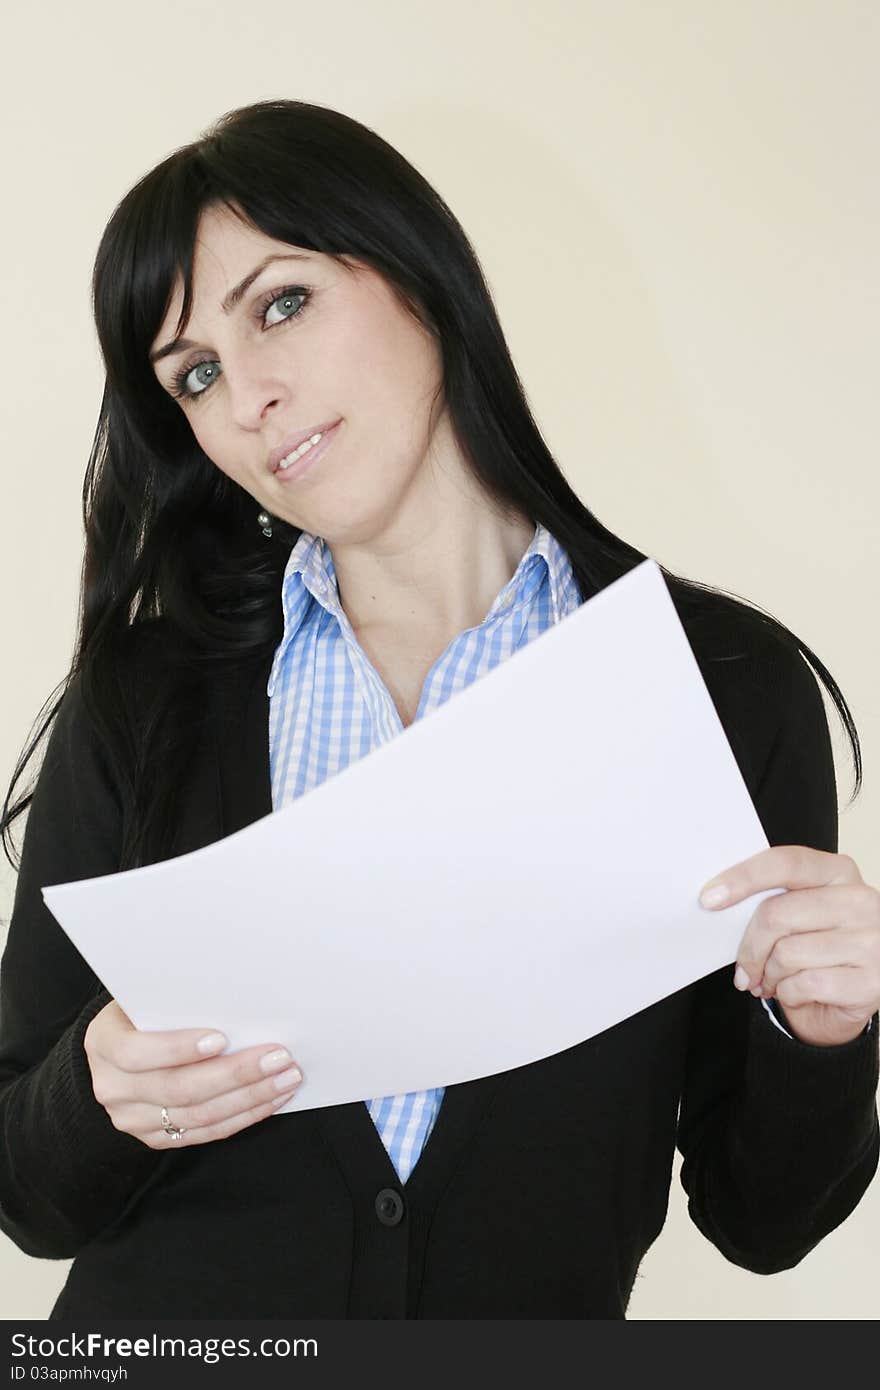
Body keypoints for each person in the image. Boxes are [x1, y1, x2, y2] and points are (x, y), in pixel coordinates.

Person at [0, 98, 877, 1321]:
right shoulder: (150, 697)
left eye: (280, 303)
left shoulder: (720, 686)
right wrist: (94, 1096)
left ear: (417, 271)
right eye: (194, 373)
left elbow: (764, 1222)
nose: (246, 393)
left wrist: (820, 1034)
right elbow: (28, 1191)